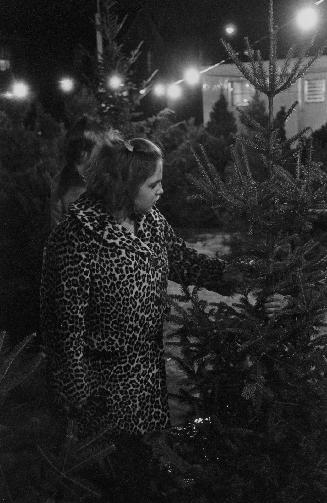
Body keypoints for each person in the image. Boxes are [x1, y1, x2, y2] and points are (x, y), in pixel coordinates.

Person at [40, 135, 229, 439]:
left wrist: (241, 274)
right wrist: (78, 401)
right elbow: (64, 330)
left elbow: (186, 261)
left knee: (146, 469)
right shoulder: (76, 237)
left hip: (147, 385)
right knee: (116, 476)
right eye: (153, 184)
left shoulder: (150, 221)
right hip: (102, 396)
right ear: (125, 186)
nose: (161, 190)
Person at [50, 115, 102, 227]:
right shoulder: (61, 182)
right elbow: (57, 227)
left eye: (87, 145)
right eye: (77, 145)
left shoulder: (106, 179)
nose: (82, 151)